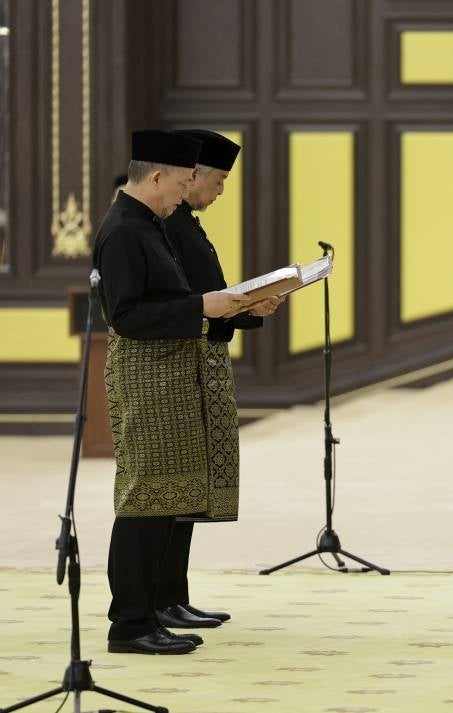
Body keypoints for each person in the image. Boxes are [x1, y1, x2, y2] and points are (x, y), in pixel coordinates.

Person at [93, 129, 251, 654]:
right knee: (144, 500)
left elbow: (174, 297)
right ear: (156, 176)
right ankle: (131, 624)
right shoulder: (123, 230)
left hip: (171, 376)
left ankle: (154, 609)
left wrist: (219, 307)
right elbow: (126, 317)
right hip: (147, 381)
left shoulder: (151, 225)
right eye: (184, 181)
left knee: (170, 496)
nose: (187, 192)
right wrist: (201, 308)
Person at [154, 129, 283, 630]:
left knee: (190, 487)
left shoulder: (184, 223)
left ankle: (173, 595)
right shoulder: (167, 226)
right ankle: (161, 599)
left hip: (204, 354)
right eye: (219, 180)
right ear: (193, 177)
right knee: (173, 487)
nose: (220, 191)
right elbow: (189, 302)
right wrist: (241, 306)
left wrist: (252, 307)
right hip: (179, 364)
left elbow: (210, 299)